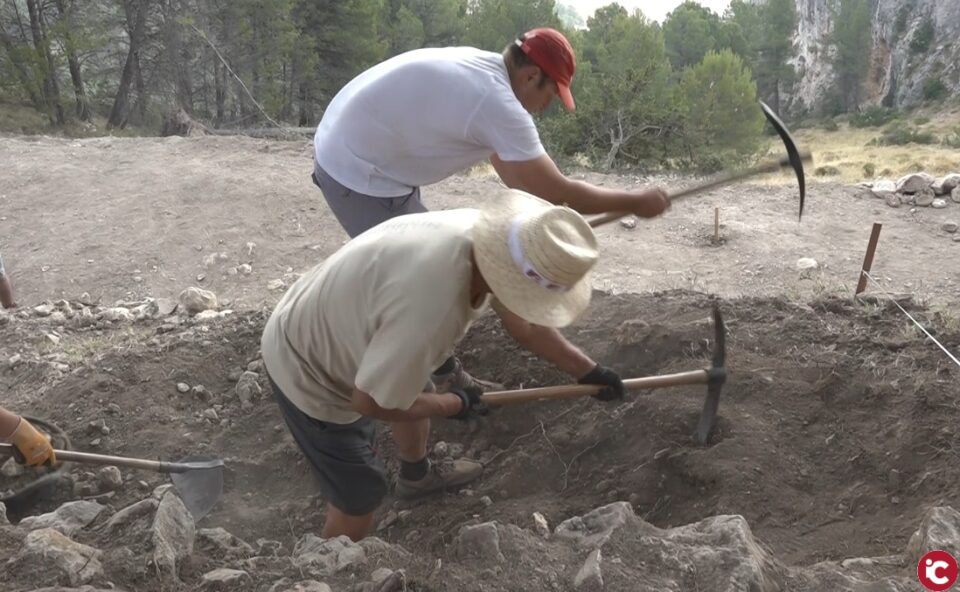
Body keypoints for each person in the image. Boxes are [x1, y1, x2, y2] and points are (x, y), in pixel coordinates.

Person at [311, 27, 670, 394]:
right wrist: (634, 201)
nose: (548, 106)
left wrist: (588, 371)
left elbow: (524, 185)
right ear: (531, 76)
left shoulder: (485, 74)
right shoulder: (497, 104)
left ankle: (446, 375)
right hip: (355, 171)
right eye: (551, 93)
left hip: (360, 141)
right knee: (426, 287)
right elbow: (557, 193)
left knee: (480, 261)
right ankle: (421, 389)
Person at [262, 190, 627, 541]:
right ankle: (326, 570)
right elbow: (372, 403)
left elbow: (526, 324)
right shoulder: (433, 310)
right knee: (360, 493)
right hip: (307, 366)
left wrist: (587, 370)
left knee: (411, 377)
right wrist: (452, 404)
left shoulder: (490, 242)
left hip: (348, 316)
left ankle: (415, 476)